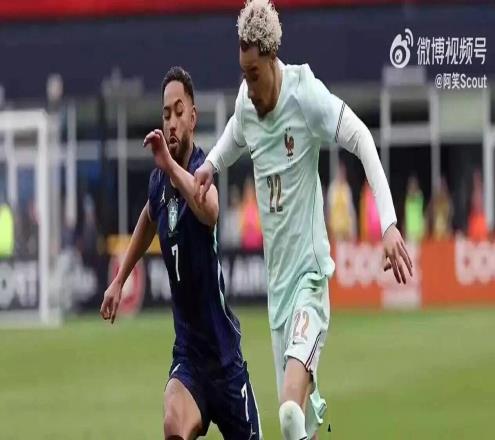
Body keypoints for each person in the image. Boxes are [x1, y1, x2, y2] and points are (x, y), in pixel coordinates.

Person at [193, 1, 413, 438]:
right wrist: (211, 165)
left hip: (309, 283)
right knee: (299, 427)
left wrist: (388, 223)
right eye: (243, 74)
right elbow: (236, 132)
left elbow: (362, 138)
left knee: (289, 413)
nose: (249, 85)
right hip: (277, 295)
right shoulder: (247, 102)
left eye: (254, 74)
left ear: (272, 58)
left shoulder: (305, 95)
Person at [100, 66, 261, 440]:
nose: (171, 122)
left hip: (225, 360)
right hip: (188, 359)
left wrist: (171, 166)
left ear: (193, 117)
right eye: (165, 114)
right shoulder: (160, 181)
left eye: (178, 112)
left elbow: (210, 209)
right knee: (173, 425)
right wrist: (119, 280)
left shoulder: (201, 168)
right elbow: (149, 217)